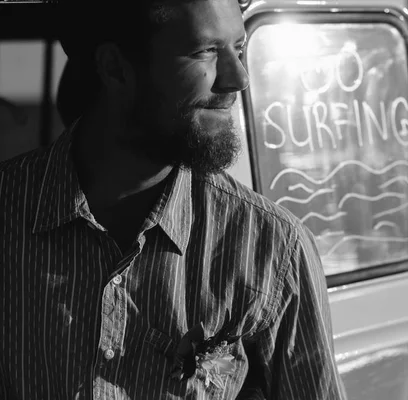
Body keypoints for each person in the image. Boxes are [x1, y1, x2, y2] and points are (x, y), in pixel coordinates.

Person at [0, 0, 347, 398]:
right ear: (115, 68)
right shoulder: (8, 210)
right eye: (206, 52)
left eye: (238, 48)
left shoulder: (273, 248)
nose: (238, 78)